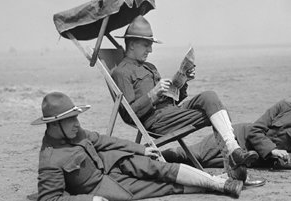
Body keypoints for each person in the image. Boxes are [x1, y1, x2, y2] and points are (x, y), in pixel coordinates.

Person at [111, 15, 258, 179]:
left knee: (210, 97)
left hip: (172, 112)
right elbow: (127, 114)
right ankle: (235, 164)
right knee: (216, 111)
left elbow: (171, 99)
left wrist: (183, 81)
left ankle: (233, 149)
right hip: (157, 121)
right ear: (132, 45)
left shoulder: (149, 67)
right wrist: (152, 95)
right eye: (146, 45)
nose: (150, 50)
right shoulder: (121, 72)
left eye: (150, 45)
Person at [31, 92, 246, 201]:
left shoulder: (76, 132)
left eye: (76, 117)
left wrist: (140, 150)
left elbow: (106, 141)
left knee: (160, 168)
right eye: (70, 119)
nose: (77, 123)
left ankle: (221, 185)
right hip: (101, 187)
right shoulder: (50, 161)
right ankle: (213, 184)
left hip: (114, 162)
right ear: (54, 124)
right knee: (161, 187)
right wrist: (90, 200)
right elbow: (50, 198)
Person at [162, 82, 291, 169]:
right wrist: (273, 150)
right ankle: (148, 156)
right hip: (239, 137)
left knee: (200, 163)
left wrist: (281, 159)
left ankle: (157, 162)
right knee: (195, 154)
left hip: (253, 159)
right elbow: (257, 129)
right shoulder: (283, 107)